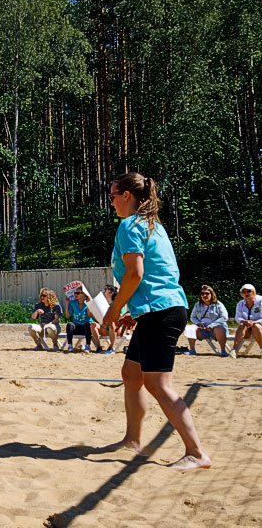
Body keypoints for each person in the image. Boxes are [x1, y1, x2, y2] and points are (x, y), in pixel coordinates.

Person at [100, 172, 211, 470]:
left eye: (113, 195)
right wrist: (131, 313)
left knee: (158, 384)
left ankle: (196, 452)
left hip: (161, 312)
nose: (110, 202)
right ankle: (132, 441)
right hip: (159, 310)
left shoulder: (129, 225)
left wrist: (113, 309)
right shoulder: (153, 226)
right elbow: (153, 277)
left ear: (127, 196)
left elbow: (135, 274)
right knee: (131, 374)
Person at [182, 285, 229, 357]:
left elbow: (224, 317)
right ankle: (192, 350)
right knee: (189, 328)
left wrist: (211, 325)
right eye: (202, 294)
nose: (204, 295)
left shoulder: (218, 304)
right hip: (202, 329)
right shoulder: (197, 305)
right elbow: (192, 317)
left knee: (220, 328)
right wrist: (198, 323)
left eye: (207, 293)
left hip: (215, 329)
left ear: (212, 294)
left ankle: (223, 350)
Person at [91, 284, 129, 353]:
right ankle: (99, 347)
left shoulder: (117, 303)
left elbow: (122, 316)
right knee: (93, 325)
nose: (103, 292)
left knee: (112, 324)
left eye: (105, 290)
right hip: (105, 328)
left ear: (111, 293)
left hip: (117, 329)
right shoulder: (102, 303)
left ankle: (111, 347)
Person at [66, 288, 99, 353]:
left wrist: (89, 304)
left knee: (87, 324)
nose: (76, 295)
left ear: (84, 295)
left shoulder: (88, 303)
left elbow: (89, 315)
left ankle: (87, 345)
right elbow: (67, 316)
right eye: (75, 293)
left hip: (86, 328)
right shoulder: (73, 303)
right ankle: (70, 345)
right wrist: (67, 303)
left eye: (78, 293)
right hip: (76, 326)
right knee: (70, 324)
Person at [232, 284, 262, 357]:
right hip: (247, 328)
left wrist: (254, 322)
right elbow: (237, 317)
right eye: (244, 291)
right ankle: (234, 350)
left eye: (249, 291)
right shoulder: (240, 303)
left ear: (254, 292)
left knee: (256, 326)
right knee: (242, 325)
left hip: (259, 326)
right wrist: (244, 321)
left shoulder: (261, 301)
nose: (246, 293)